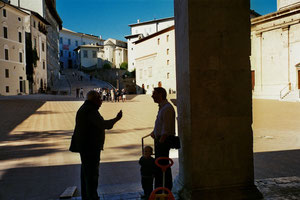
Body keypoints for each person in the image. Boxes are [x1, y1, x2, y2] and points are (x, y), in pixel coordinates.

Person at [69, 90, 123, 200]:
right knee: (91, 174)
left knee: (86, 173)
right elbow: (103, 124)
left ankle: (87, 196)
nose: (101, 101)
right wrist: (116, 119)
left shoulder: (86, 108)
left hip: (85, 146)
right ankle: (92, 196)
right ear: (94, 100)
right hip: (90, 147)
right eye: (99, 98)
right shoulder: (90, 110)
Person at [150, 87, 175, 191]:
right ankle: (161, 188)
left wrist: (160, 142)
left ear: (160, 94)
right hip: (160, 140)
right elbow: (161, 124)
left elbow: (166, 128)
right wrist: (154, 132)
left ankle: (164, 188)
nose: (152, 96)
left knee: (163, 166)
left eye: (154, 94)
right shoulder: (163, 107)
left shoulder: (167, 108)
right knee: (161, 167)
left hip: (163, 142)